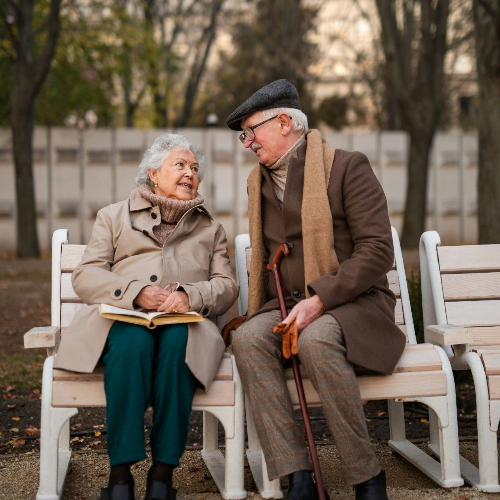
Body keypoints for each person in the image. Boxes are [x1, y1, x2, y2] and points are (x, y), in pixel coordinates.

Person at [225, 80, 405, 500]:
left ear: (284, 121)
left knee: (317, 339)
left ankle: (366, 477)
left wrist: (320, 299)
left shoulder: (346, 167)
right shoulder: (260, 185)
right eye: (244, 135)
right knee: (248, 338)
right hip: (287, 302)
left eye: (251, 131)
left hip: (352, 302)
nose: (247, 142)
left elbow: (378, 250)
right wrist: (288, 303)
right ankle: (298, 477)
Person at [54, 133, 239, 500]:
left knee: (177, 348)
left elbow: (227, 286)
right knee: (130, 345)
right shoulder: (113, 216)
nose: (190, 173)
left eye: (195, 168)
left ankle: (162, 473)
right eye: (180, 165)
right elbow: (86, 275)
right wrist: (135, 292)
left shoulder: (210, 228)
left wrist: (190, 296)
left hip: (183, 323)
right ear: (153, 174)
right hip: (123, 316)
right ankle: (120, 474)